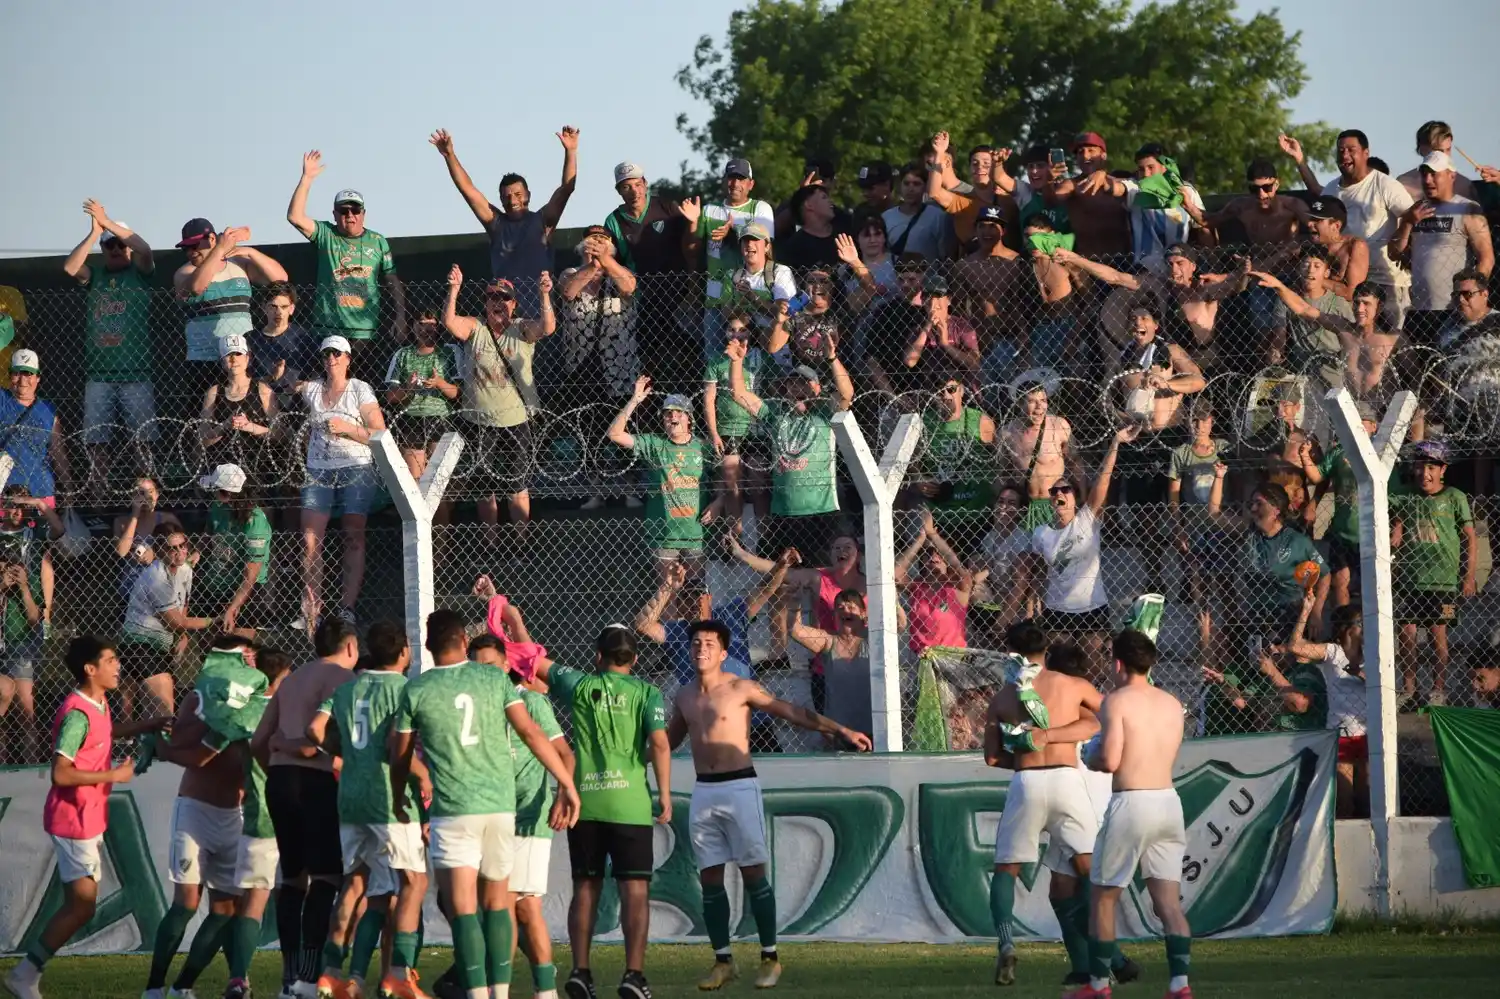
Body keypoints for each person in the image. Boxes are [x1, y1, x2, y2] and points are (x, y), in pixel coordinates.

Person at [667, 619, 872, 991]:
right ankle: (723, 960)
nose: (701, 649)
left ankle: (770, 956)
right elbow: (667, 740)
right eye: (696, 643)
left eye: (710, 644)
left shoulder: (741, 687)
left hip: (739, 787)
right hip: (704, 791)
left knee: (753, 874)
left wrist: (839, 730)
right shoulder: (683, 695)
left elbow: (790, 712)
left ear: (724, 653)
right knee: (710, 878)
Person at [386, 611, 578, 999]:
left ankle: (476, 994)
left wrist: (397, 799)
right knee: (498, 903)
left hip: (454, 809)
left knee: (462, 907)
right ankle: (501, 993)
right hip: (500, 809)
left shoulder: (416, 689)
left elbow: (400, 757)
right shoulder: (492, 678)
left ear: (427, 645)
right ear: (461, 639)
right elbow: (529, 731)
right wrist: (566, 782)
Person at [1, 636, 168, 999]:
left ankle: (27, 972)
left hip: (88, 817)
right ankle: (26, 973)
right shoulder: (77, 713)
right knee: (81, 906)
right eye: (110, 660)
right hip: (73, 819)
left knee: (81, 904)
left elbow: (104, 735)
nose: (118, 666)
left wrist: (148, 724)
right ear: (90, 669)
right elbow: (61, 772)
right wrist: (113, 776)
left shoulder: (99, 702)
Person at [520, 626, 667, 999]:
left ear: (597, 657)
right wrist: (663, 793)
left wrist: (506, 615)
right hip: (630, 805)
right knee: (635, 890)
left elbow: (533, 660)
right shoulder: (647, 693)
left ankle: (581, 971)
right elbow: (661, 744)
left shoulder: (581, 685)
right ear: (634, 660)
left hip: (584, 802)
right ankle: (634, 974)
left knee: (586, 887)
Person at [981, 620, 1116, 991]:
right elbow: (1108, 715)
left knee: (1006, 870)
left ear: (1011, 651)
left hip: (1026, 782)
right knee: (1090, 870)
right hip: (1067, 779)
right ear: (1046, 650)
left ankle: (1006, 942)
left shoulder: (1002, 698)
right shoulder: (1071, 685)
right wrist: (1065, 732)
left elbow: (992, 758)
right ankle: (1109, 956)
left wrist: (1025, 759)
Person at [305, 622, 429, 999]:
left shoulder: (346, 689)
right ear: (404, 652)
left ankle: (336, 974)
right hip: (387, 800)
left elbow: (314, 729)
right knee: (414, 883)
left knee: (360, 885)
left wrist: (345, 753)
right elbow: (397, 747)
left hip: (351, 799)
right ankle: (398, 974)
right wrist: (424, 777)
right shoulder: (405, 690)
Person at [140, 634, 267, 999]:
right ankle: (154, 988)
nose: (252, 663)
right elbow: (183, 749)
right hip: (196, 811)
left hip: (235, 814)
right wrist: (163, 744)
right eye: (247, 655)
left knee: (226, 908)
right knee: (186, 903)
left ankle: (183, 987)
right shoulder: (198, 698)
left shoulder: (259, 702)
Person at [1074, 630, 1192, 999]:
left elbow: (1109, 760)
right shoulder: (1172, 703)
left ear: (1118, 663)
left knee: (1103, 897)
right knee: (1168, 903)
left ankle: (1098, 986)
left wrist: (1088, 756)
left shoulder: (1116, 701)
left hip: (1132, 802)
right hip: (1168, 802)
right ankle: (1180, 985)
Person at [252, 617, 361, 999]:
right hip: (315, 784)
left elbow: (258, 741)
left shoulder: (291, 681)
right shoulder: (346, 681)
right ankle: (309, 977)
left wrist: (279, 767)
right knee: (327, 877)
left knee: (292, 878)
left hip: (280, 783)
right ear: (350, 647)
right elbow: (338, 740)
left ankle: (288, 977)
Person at [466, 626, 574, 999]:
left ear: (506, 665)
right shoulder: (472, 706)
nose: (487, 674)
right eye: (479, 667)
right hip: (487, 815)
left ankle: (544, 991)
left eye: (493, 666)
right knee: (493, 907)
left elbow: (565, 755)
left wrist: (563, 792)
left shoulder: (529, 702)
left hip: (528, 815)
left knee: (523, 907)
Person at [444, 264, 556, 552]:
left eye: (503, 297)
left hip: (516, 421)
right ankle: (490, 545)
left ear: (513, 303)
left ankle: (520, 545)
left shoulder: (521, 329)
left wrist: (544, 295)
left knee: (518, 485)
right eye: (492, 296)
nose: (497, 302)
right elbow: (451, 323)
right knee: (485, 487)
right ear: (485, 302)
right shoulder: (476, 328)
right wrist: (454, 290)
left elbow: (548, 327)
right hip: (479, 422)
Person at [725, 331, 853, 559]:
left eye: (804, 385)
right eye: (792, 385)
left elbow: (846, 393)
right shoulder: (776, 414)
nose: (797, 390)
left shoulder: (825, 414)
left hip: (821, 511)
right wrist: (737, 362)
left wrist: (832, 359)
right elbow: (739, 394)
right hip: (783, 512)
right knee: (782, 577)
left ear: (817, 389)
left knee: (820, 575)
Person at [61, 199, 157, 491]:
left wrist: (108, 222)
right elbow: (70, 267)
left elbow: (145, 250)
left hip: (136, 374)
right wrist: (95, 232)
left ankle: (144, 496)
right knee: (97, 441)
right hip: (99, 374)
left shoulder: (139, 272)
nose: (115, 249)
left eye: (119, 243)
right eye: (108, 245)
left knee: (141, 440)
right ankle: (100, 495)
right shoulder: (97, 276)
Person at [287, 152, 406, 383]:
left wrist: (400, 316)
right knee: (325, 388)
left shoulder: (378, 241)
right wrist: (307, 178)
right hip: (327, 330)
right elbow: (294, 216)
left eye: (355, 210)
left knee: (363, 390)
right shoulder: (326, 234)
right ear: (335, 214)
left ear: (363, 214)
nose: (349, 215)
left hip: (366, 334)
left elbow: (392, 280)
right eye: (343, 211)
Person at [1030, 426, 1138, 680]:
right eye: (1054, 491)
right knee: (1060, 672)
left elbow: (1103, 480)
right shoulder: (1041, 533)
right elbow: (1036, 573)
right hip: (1058, 609)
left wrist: (1115, 443)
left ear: (1075, 498)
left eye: (1065, 489)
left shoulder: (1087, 519)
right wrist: (1033, 604)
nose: (1059, 494)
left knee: (1094, 668)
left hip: (1091, 606)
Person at [430, 125, 579, 304]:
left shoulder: (543, 221)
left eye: (518, 194)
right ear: (500, 200)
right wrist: (449, 155)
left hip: (540, 318)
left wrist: (571, 151)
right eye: (507, 196)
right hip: (504, 318)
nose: (513, 200)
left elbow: (566, 189)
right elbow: (468, 190)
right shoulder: (496, 224)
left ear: (528, 195)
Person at [298, 335, 387, 630]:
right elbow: (289, 387)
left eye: (337, 353)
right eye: (326, 354)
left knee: (353, 535)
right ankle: (313, 609)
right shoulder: (312, 390)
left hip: (356, 468)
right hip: (318, 469)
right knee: (311, 539)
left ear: (348, 358)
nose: (331, 358)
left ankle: (346, 607)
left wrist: (348, 428)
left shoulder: (360, 389)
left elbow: (379, 433)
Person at [221, 646, 294, 999]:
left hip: (256, 817)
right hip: (292, 817)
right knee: (292, 900)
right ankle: (291, 979)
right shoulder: (288, 714)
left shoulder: (242, 714)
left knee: (253, 902)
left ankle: (238, 979)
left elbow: (234, 761)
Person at [1391, 440, 1476, 708]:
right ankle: (1409, 687)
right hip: (1410, 580)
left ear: (1443, 470)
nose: (1425, 473)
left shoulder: (1454, 497)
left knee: (1439, 634)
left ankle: (1438, 689)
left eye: (1432, 467)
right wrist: (1397, 525)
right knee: (1406, 632)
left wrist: (1469, 575)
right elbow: (1397, 510)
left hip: (1443, 581)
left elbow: (1470, 537)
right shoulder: (1406, 496)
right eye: (1420, 466)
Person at [556, 225, 641, 493]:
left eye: (602, 241)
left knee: (621, 427)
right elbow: (568, 292)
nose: (596, 244)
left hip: (619, 367)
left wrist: (605, 262)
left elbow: (630, 286)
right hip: (583, 365)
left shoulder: (619, 274)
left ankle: (628, 489)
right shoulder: (571, 273)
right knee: (589, 430)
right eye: (592, 240)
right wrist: (593, 266)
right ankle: (596, 489)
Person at [607, 376, 710, 589]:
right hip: (664, 534)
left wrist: (718, 504)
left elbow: (726, 481)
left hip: (695, 532)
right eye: (667, 413)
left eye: (678, 412)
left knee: (697, 594)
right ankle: (671, 623)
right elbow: (615, 434)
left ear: (689, 418)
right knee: (668, 591)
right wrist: (635, 400)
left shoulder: (703, 446)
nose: (672, 416)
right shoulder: (654, 444)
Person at [1207, 477, 1329, 651]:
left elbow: (1325, 574)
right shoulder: (1248, 532)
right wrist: (1219, 477)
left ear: (1276, 510)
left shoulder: (1296, 541)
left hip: (1289, 617)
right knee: (1259, 665)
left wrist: (1316, 612)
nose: (1253, 508)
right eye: (1252, 503)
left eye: (1259, 503)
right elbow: (1214, 516)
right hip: (1257, 617)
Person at [1389, 151, 1494, 346]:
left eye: (1434, 174)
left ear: (1451, 176)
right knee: (1415, 370)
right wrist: (1408, 223)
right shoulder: (1416, 209)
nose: (1428, 180)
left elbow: (1486, 258)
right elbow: (1394, 252)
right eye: (1424, 174)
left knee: (1448, 369)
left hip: (1453, 310)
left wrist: (1470, 296)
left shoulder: (1468, 209)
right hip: (1419, 310)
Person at [681, 159, 777, 364]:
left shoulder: (760, 209)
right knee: (715, 361)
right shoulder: (708, 211)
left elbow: (764, 250)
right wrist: (692, 224)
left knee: (759, 360)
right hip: (716, 298)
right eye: (731, 178)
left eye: (740, 179)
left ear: (751, 184)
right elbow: (692, 250)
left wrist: (732, 234)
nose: (734, 184)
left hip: (754, 297)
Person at [1321, 130, 1416, 330]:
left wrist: (1404, 250)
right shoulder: (1330, 189)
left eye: (1351, 150)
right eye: (1340, 150)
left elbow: (1413, 216)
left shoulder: (1385, 185)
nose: (1345, 155)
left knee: (1394, 343)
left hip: (1387, 281)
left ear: (1365, 153)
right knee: (1356, 343)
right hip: (1350, 285)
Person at [173, 220, 288, 385]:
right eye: (186, 248)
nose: (190, 252)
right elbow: (197, 287)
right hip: (205, 361)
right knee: (205, 409)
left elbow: (280, 279)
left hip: (241, 358)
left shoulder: (239, 265)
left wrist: (249, 252)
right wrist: (220, 248)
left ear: (211, 239)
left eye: (195, 245)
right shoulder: (184, 272)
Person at [118, 528, 212, 724]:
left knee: (148, 703)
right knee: (160, 707)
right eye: (172, 548)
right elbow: (176, 621)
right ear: (161, 550)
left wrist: (183, 635)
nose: (179, 552)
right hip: (141, 638)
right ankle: (141, 742)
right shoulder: (156, 577)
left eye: (183, 545)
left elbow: (182, 605)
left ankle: (143, 744)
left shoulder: (186, 570)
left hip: (162, 640)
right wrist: (214, 621)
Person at [1299, 400, 1382, 609]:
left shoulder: (1382, 454)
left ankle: (1364, 632)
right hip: (1342, 532)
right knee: (1340, 582)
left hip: (1372, 534)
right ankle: (1343, 629)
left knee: (1370, 586)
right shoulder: (1339, 453)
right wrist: (1304, 457)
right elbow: (1317, 476)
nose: (1359, 427)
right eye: (1354, 422)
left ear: (1374, 426)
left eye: (1364, 422)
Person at [702, 312, 770, 524]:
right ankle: (735, 538)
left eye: (743, 329)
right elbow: (709, 399)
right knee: (732, 485)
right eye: (732, 329)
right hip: (728, 428)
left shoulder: (760, 358)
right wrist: (713, 433)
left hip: (756, 428)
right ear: (725, 331)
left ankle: (763, 535)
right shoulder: (716, 360)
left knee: (758, 485)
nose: (737, 333)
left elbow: (773, 389)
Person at [383, 308, 463, 484]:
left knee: (438, 481)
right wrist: (408, 389)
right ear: (412, 326)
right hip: (412, 420)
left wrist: (439, 383)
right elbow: (391, 396)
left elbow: (458, 393)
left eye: (431, 324)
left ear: (439, 327)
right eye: (420, 323)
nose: (425, 328)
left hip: (441, 417)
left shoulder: (449, 352)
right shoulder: (403, 354)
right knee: (416, 480)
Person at [194, 463, 274, 639]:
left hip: (245, 591)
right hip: (216, 584)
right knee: (209, 649)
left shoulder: (255, 521)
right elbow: (209, 529)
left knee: (238, 648)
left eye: (216, 491)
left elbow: (250, 575)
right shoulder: (217, 506)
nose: (213, 495)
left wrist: (233, 607)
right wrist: (198, 551)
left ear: (227, 494)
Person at [788, 587, 877, 742]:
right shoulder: (829, 640)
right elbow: (796, 631)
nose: (845, 611)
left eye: (851, 607)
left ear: (863, 613)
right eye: (840, 608)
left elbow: (900, 625)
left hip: (873, 729)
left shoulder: (873, 638)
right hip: (839, 732)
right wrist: (796, 601)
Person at [0, 489, 47, 764]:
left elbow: (33, 618)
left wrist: (24, 585)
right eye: (12, 506)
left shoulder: (31, 544)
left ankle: (30, 767)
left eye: (22, 507)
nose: (17, 512)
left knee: (25, 709)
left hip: (21, 637)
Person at [1110, 301, 1205, 430]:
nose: (1138, 323)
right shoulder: (1121, 359)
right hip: (1135, 435)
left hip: (1170, 431)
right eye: (1133, 319)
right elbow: (1106, 396)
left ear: (1156, 325)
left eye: (1144, 318)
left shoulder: (1171, 351)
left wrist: (1167, 384)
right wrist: (1121, 418)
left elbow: (1199, 381)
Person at [200, 333, 279, 480]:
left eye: (238, 353)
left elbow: (280, 434)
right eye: (228, 354)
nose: (233, 359)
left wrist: (250, 426)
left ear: (248, 357)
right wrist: (224, 426)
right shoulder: (214, 392)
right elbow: (203, 440)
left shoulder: (263, 390)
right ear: (222, 360)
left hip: (256, 466)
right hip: (221, 466)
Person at [895, 510, 975, 655]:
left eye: (939, 553)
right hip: (922, 657)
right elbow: (895, 574)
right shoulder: (918, 588)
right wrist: (920, 540)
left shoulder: (958, 588)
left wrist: (933, 534)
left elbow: (957, 567)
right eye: (928, 554)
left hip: (952, 658)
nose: (934, 557)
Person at [0, 349, 72, 506]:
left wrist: (68, 488)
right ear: (9, 375)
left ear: (38, 378)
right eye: (16, 373)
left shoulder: (47, 410)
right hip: (4, 491)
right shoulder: (2, 399)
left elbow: (58, 451)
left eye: (28, 373)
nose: (22, 379)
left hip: (40, 491)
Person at [1001, 382, 1073, 531]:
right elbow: (1002, 473)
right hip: (1027, 507)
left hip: (1055, 504)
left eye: (1043, 401)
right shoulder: (1007, 434)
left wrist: (1080, 498)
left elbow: (1076, 463)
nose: (1040, 407)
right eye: (1032, 401)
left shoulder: (1059, 426)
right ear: (1020, 404)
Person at [882, 162, 957, 261]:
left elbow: (946, 256)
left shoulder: (938, 217)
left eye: (916, 184)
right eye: (906, 183)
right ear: (900, 186)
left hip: (929, 275)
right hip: (894, 275)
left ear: (925, 187)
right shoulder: (886, 217)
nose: (910, 189)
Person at [1301, 196, 1369, 302]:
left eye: (1317, 220)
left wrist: (1311, 280)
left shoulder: (1355, 247)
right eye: (1310, 219)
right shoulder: (1306, 245)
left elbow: (1352, 294)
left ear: (1336, 226)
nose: (1309, 224)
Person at [1395, 121, 1478, 201]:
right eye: (1439, 151)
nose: (1445, 156)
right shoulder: (1404, 183)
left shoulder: (1464, 184)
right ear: (1422, 149)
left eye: (1448, 149)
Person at [779, 184, 849, 270]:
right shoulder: (794, 247)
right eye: (824, 197)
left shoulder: (846, 233)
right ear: (808, 205)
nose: (830, 202)